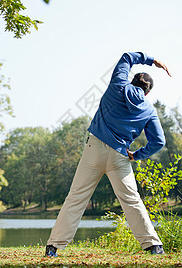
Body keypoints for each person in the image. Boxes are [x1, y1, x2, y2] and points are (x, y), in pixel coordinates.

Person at [45, 52, 171, 257]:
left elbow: (127, 58)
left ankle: (54, 247)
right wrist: (137, 155)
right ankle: (153, 246)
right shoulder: (149, 110)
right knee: (131, 200)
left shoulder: (117, 84)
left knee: (76, 197)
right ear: (147, 93)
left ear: (130, 80)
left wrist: (152, 60)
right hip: (120, 156)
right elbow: (159, 142)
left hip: (93, 150)